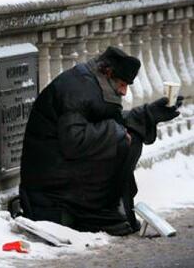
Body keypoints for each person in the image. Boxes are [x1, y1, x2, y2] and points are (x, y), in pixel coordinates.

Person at [18, 46, 183, 236]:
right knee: (123, 141)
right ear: (108, 72)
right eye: (122, 84)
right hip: (51, 185)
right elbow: (75, 140)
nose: (124, 92)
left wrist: (149, 114)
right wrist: (117, 133)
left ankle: (107, 209)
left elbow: (106, 122)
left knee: (133, 135)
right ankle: (96, 214)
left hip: (63, 169)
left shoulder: (95, 83)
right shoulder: (78, 89)